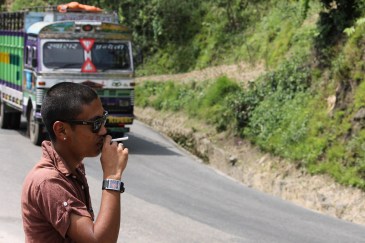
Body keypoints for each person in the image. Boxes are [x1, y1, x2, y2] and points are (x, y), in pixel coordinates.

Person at [21, 82, 128, 242]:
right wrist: (112, 177)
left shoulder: (72, 169)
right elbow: (98, 240)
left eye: (103, 120)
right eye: (95, 124)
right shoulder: (49, 182)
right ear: (62, 130)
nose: (103, 131)